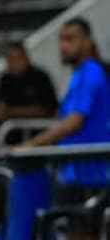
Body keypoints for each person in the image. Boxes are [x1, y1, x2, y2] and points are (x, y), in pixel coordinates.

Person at [18, 18, 110, 202]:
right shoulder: (79, 74)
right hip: (76, 170)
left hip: (92, 173)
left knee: (84, 230)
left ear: (87, 41)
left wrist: (30, 146)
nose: (63, 46)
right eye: (61, 39)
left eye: (70, 39)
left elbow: (74, 122)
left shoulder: (91, 72)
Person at [0, 43, 58, 152]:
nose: (13, 62)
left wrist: (12, 112)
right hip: (9, 127)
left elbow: (47, 110)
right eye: (9, 59)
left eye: (16, 58)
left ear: (26, 57)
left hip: (35, 127)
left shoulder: (40, 77)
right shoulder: (5, 79)